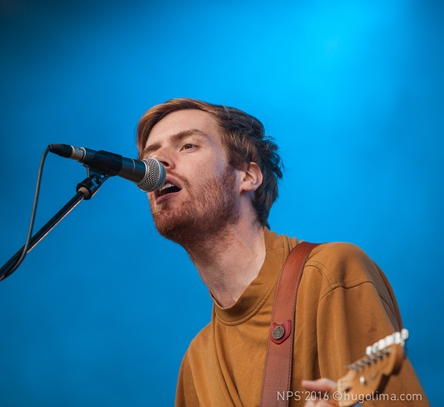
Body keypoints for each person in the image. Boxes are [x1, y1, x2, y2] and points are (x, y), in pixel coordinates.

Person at [135, 98, 428, 407]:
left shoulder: (331, 274)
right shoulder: (196, 362)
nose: (158, 163)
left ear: (247, 177)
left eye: (188, 146)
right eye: (150, 155)